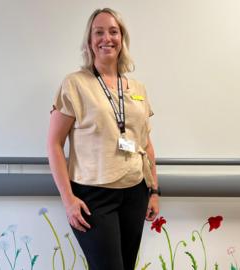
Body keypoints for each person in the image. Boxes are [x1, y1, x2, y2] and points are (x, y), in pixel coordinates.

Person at [47, 8, 160, 270]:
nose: (106, 38)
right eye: (98, 32)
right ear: (89, 41)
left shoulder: (138, 89)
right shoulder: (74, 84)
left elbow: (145, 144)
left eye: (113, 31)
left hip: (135, 192)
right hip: (93, 195)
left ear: (122, 39)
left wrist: (153, 190)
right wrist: (68, 200)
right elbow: (54, 144)